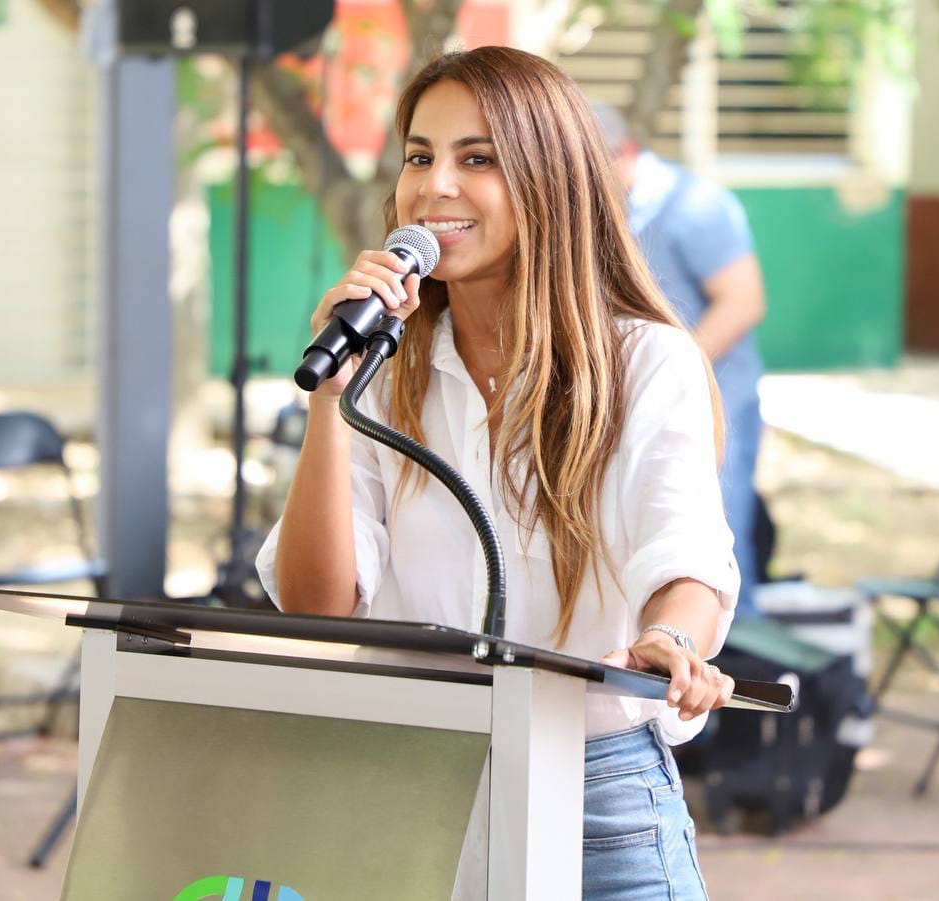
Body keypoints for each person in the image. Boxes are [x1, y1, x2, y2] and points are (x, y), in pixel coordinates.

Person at [257, 47, 739, 898]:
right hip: (411, 781)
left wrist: (672, 640)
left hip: (595, 796)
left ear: (549, 180)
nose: (435, 184)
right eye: (419, 156)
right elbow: (317, 601)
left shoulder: (646, 361)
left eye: (476, 158)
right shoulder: (383, 372)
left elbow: (686, 554)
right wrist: (332, 397)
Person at [594, 105, 767, 615]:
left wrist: (663, 375)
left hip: (713, 404)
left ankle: (727, 682)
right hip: (627, 404)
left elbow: (742, 301)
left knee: (713, 553)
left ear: (623, 153)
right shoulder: (603, 211)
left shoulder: (696, 205)